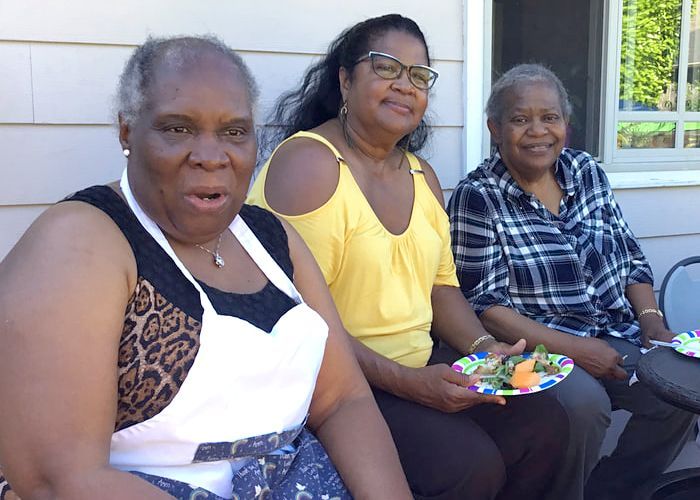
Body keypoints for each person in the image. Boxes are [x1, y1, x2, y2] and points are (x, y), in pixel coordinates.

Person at [0, 36, 413, 500]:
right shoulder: (81, 242)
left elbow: (343, 400)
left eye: (235, 131)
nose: (212, 156)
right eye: (178, 129)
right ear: (126, 133)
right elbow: (60, 480)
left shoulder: (271, 239)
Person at [248, 14, 569, 500]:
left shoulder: (422, 176)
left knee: (544, 424)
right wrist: (410, 383)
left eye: (419, 76)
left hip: (422, 365)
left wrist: (485, 351)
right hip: (338, 385)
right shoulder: (310, 165)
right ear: (345, 79)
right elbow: (299, 322)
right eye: (386, 67)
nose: (405, 85)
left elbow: (441, 289)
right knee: (467, 467)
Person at [447, 63, 698, 500]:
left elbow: (630, 257)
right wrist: (578, 350)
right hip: (529, 348)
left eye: (550, 117)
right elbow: (483, 304)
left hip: (610, 333)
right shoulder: (478, 196)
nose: (538, 131)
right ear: (494, 128)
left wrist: (652, 322)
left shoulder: (586, 171)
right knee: (585, 407)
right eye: (520, 119)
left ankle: (612, 491)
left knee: (675, 393)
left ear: (566, 124)